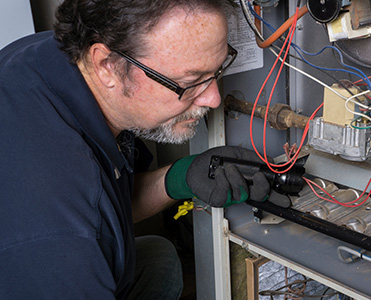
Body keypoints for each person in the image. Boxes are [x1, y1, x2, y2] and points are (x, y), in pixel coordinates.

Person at [0, 0, 271, 298]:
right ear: (107, 66)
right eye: (190, 82)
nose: (213, 99)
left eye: (217, 71)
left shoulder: (56, 54)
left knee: (159, 257)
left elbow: (111, 203)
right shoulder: (63, 236)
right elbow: (85, 216)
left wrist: (181, 176)